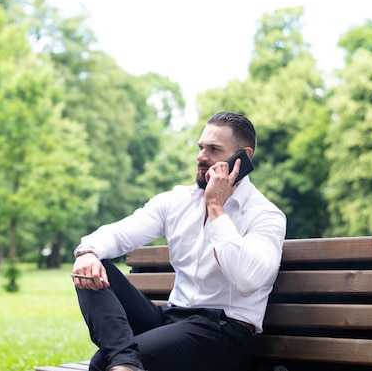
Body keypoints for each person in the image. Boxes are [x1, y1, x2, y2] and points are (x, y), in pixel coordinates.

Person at [71, 111, 286, 371]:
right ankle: (125, 362)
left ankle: (122, 361)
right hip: (171, 319)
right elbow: (120, 233)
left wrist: (216, 206)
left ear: (244, 157)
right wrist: (87, 252)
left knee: (101, 363)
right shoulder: (176, 202)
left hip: (221, 332)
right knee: (90, 266)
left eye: (214, 149)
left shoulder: (266, 215)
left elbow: (248, 279)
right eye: (201, 147)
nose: (201, 157)